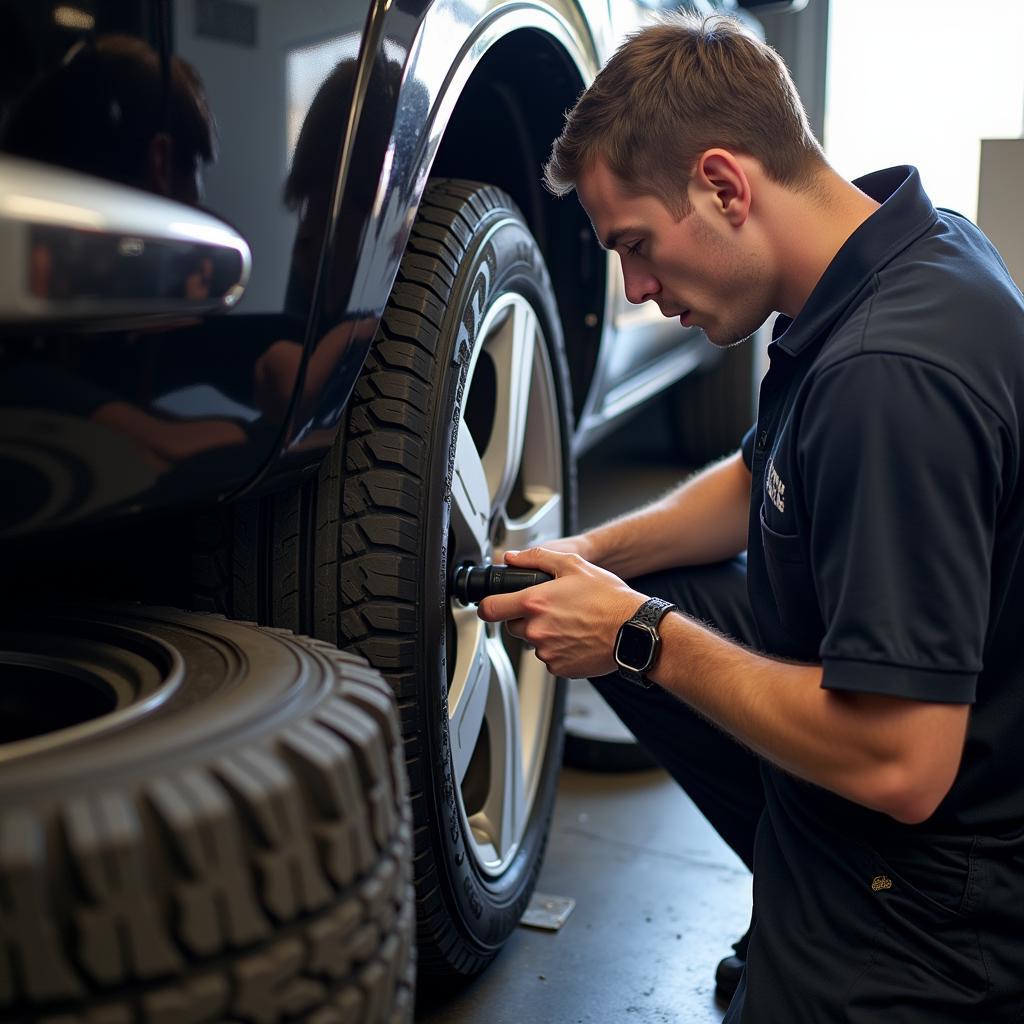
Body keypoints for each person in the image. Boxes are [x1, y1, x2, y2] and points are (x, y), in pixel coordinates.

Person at [477, 12, 1024, 1022]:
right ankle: (796, 893)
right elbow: (757, 474)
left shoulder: (887, 378)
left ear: (724, 186)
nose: (637, 288)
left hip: (942, 895)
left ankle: (837, 935)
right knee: (659, 597)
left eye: (635, 245)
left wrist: (638, 636)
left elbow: (903, 763)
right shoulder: (901, 252)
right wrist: (592, 556)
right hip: (938, 788)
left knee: (654, 629)